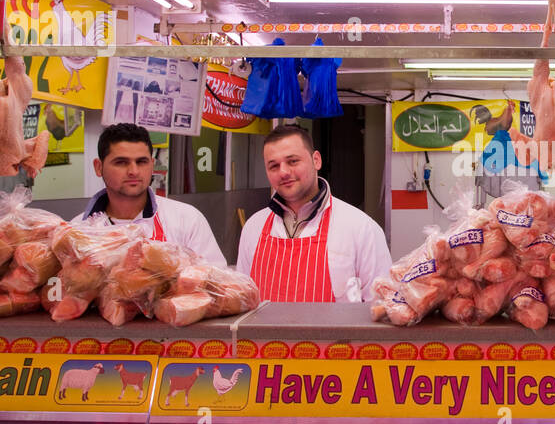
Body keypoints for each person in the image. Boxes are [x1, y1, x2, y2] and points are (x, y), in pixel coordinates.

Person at [237, 124, 391, 302]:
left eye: (293, 161)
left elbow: (381, 307)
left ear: (316, 160)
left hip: (334, 331)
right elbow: (243, 300)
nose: (284, 172)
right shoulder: (253, 227)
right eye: (274, 166)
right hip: (262, 331)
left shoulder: (361, 228)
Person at [76, 122, 227, 266]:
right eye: (121, 162)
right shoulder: (79, 231)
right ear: (98, 167)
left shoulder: (186, 220)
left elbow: (218, 283)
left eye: (142, 162)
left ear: (152, 165)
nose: (133, 171)